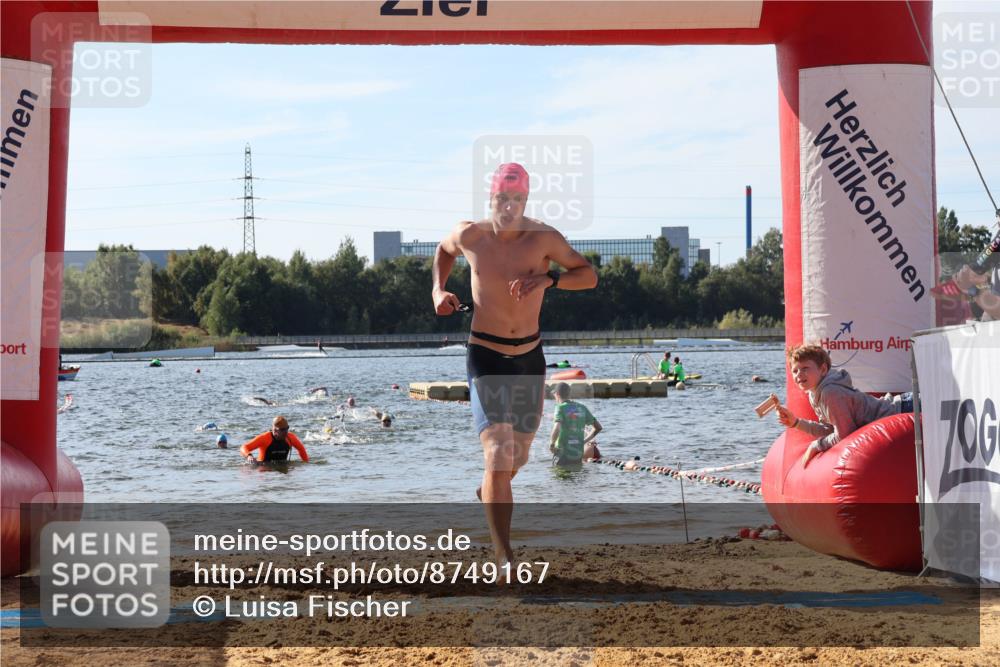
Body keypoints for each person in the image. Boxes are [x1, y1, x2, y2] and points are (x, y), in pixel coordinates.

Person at [432, 162, 598, 565]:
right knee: (496, 451)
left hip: (528, 358)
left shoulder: (543, 238)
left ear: (526, 200)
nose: (509, 206)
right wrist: (438, 290)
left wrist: (550, 280)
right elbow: (443, 251)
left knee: (517, 457)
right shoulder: (470, 235)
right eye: (502, 198)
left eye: (517, 199)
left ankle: (490, 489)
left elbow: (588, 275)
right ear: (490, 198)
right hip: (486, 354)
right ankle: (503, 555)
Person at [775, 343, 912, 468]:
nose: (799, 374)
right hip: (902, 406)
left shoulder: (830, 392)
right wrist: (796, 423)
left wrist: (817, 445)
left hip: (904, 409)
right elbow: (830, 429)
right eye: (795, 371)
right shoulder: (814, 392)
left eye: (805, 368)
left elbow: (844, 434)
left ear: (823, 369)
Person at [549, 383, 602, 468]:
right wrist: (584, 441)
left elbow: (557, 427)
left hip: (562, 454)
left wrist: (552, 444)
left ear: (557, 394)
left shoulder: (560, 407)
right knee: (576, 475)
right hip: (577, 454)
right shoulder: (582, 407)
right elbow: (598, 427)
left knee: (559, 475)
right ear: (569, 393)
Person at [240, 415, 310, 464]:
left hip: (282, 466)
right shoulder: (264, 438)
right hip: (263, 468)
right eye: (282, 429)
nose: (286, 432)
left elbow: (301, 449)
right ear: (275, 430)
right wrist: (249, 456)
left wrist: (306, 463)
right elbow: (243, 447)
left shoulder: (290, 437)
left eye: (287, 428)